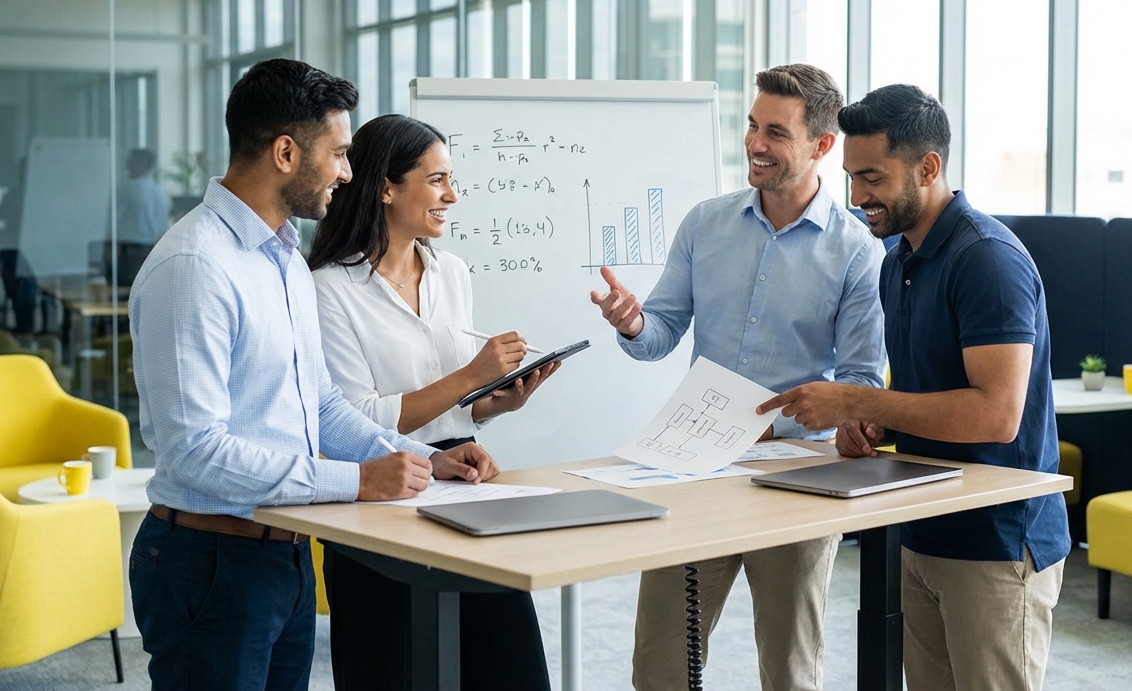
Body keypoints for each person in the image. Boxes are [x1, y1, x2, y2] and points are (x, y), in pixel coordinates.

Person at [127, 58, 489, 691]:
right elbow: (194, 453)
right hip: (212, 560)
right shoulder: (196, 267)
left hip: (288, 551)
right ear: (287, 153)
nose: (348, 172)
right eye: (341, 154)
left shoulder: (284, 258)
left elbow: (319, 407)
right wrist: (357, 482)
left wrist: (424, 459)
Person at [757, 83, 1070, 691]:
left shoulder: (987, 260)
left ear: (928, 167)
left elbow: (996, 416)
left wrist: (854, 399)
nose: (856, 197)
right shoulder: (898, 258)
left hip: (996, 539)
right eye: (850, 177)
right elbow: (931, 391)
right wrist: (878, 425)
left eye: (872, 178)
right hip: (923, 526)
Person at [590, 63, 886, 691]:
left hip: (796, 476)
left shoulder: (858, 252)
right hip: (694, 464)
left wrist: (842, 421)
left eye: (776, 132)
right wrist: (634, 322)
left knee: (789, 669)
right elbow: (660, 336)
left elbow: (859, 380)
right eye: (752, 126)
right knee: (661, 665)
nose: (755, 143)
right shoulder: (706, 223)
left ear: (822, 146)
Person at [308, 113, 559, 690]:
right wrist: (471, 375)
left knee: (508, 665)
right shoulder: (326, 288)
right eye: (438, 179)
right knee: (396, 669)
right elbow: (351, 421)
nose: (452, 195)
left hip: (460, 480)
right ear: (386, 188)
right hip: (376, 490)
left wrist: (492, 402)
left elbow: (450, 403)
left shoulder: (453, 273)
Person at [116, 147, 170, 246]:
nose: (127, 166)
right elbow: (163, 226)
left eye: (131, 162)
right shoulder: (160, 192)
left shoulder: (127, 189)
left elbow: (114, 221)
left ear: (139, 164)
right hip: (153, 246)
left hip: (129, 246)